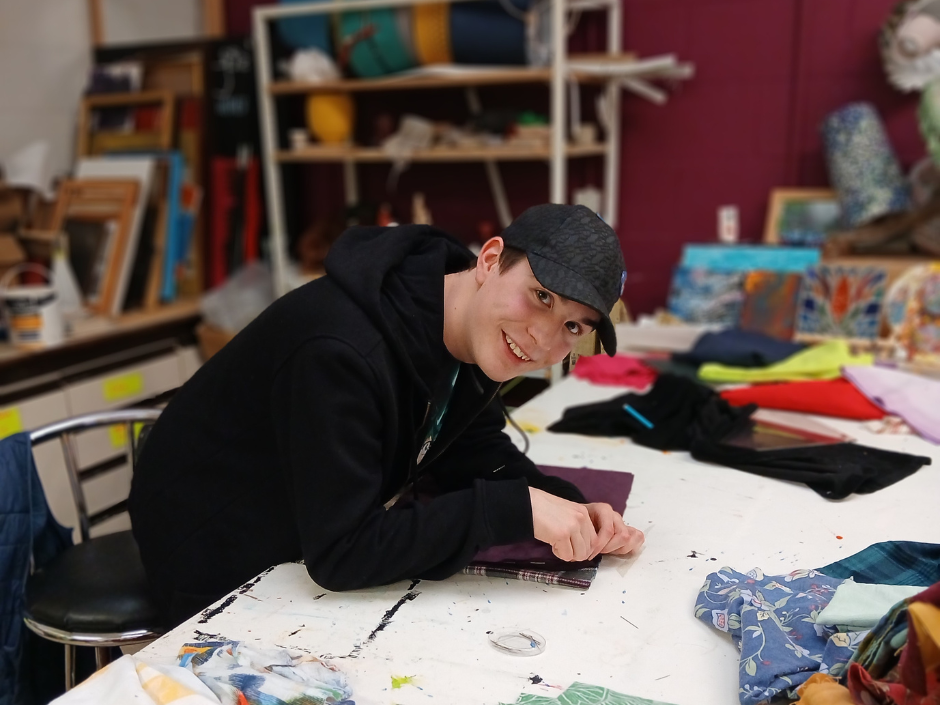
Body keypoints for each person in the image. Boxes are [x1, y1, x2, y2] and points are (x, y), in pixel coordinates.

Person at [129, 203, 645, 627]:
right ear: (490, 261)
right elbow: (343, 553)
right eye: (541, 296)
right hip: (210, 552)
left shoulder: (474, 327)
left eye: (573, 327)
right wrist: (512, 508)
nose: (543, 339)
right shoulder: (341, 350)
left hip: (302, 527)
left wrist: (568, 507)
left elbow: (473, 448)